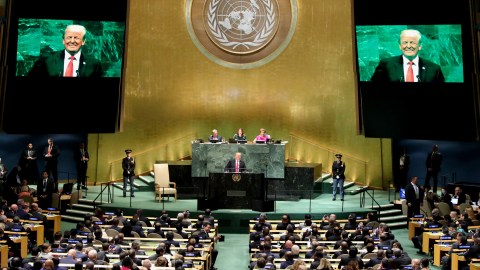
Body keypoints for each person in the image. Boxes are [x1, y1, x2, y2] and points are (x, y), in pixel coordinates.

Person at [370, 29, 445, 82]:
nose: (408, 46)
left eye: (412, 42)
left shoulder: (434, 69)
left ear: (420, 46)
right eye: (405, 42)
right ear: (400, 46)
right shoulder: (386, 65)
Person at [28, 24, 103, 77]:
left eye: (76, 38)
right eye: (69, 37)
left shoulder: (94, 64)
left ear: (83, 41)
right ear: (63, 40)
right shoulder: (46, 59)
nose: (72, 41)